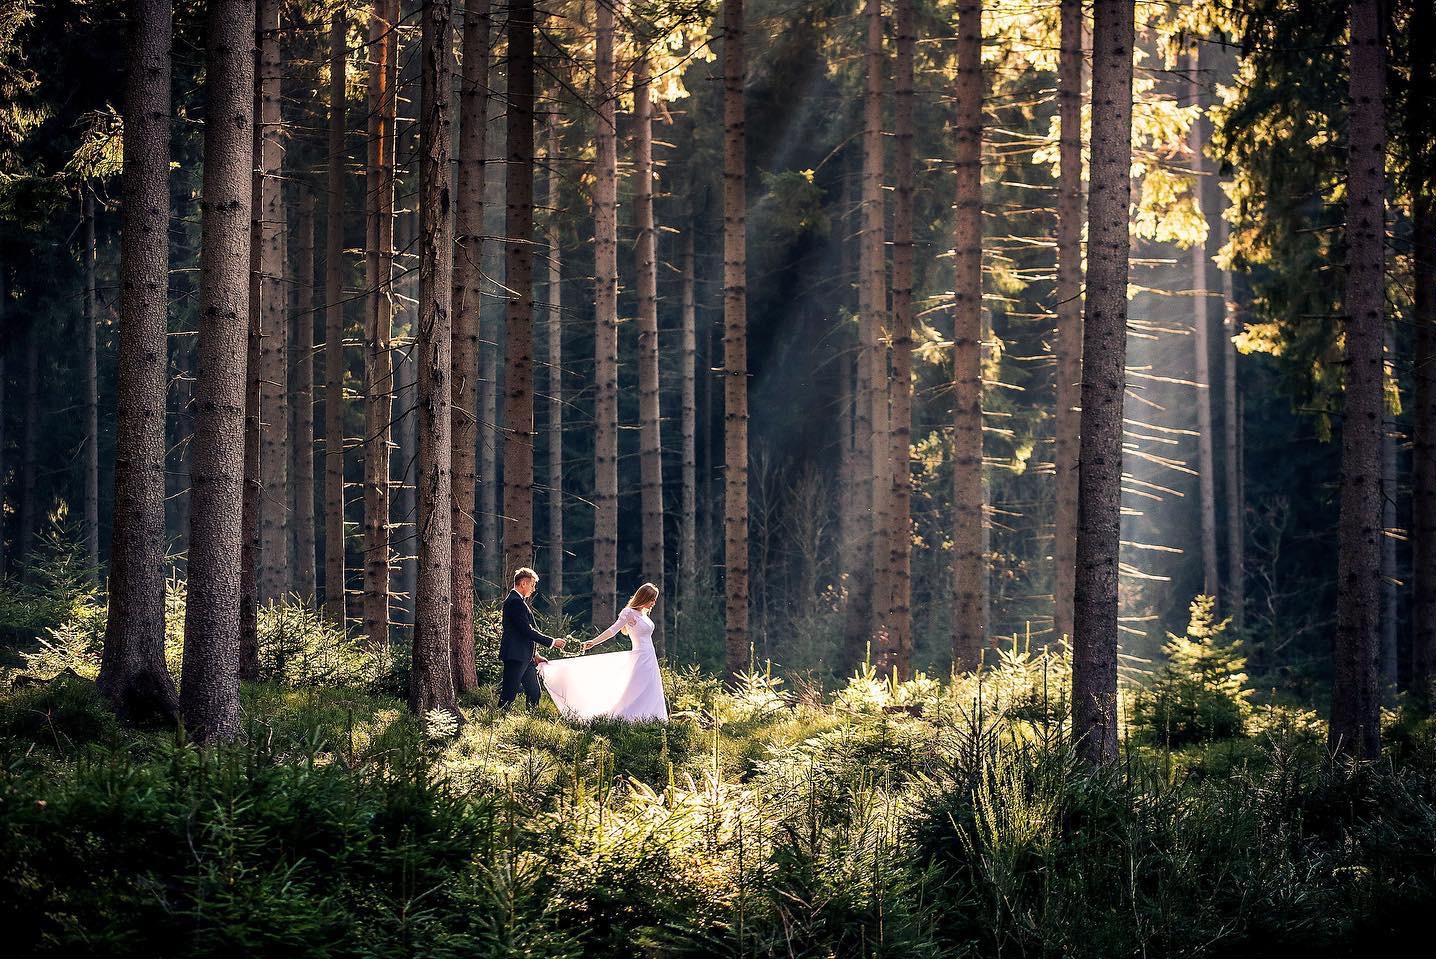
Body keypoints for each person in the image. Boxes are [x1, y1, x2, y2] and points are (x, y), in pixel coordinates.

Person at [539, 583, 668, 722]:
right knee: (636, 689)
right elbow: (612, 631)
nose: (654, 603)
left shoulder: (643, 614)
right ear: (643, 598)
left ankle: (652, 719)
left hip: (650, 657)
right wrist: (593, 642)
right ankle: (629, 718)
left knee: (650, 687)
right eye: (652, 599)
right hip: (640, 656)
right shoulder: (629, 613)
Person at [498, 567, 566, 709]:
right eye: (532, 584)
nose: (533, 589)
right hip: (515, 655)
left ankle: (530, 720)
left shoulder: (519, 601)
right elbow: (527, 631)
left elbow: (524, 633)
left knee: (534, 692)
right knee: (508, 694)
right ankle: (497, 721)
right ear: (523, 583)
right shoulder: (514, 602)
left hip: (526, 657)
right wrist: (552, 642)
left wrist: (535, 654)